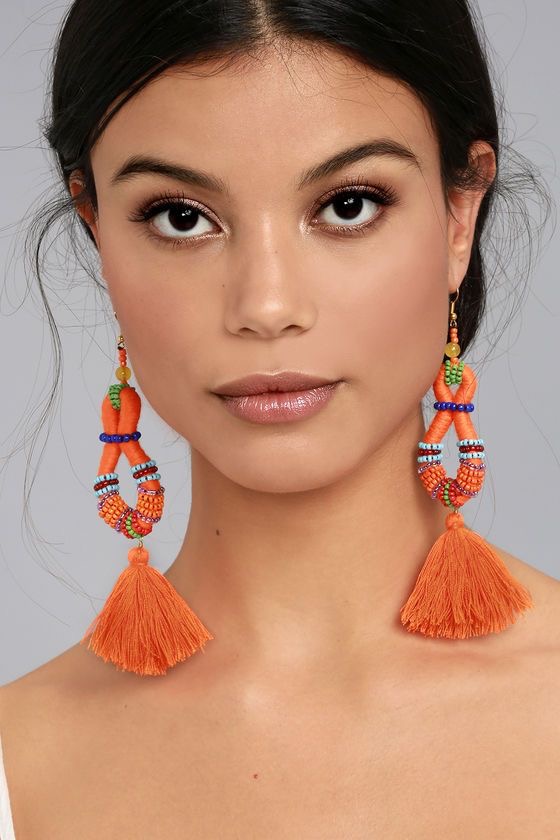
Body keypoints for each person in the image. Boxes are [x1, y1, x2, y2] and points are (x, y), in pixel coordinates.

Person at [0, 0, 558, 835]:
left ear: (459, 214)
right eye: (181, 217)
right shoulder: (19, 764)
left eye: (348, 205)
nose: (266, 305)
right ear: (99, 233)